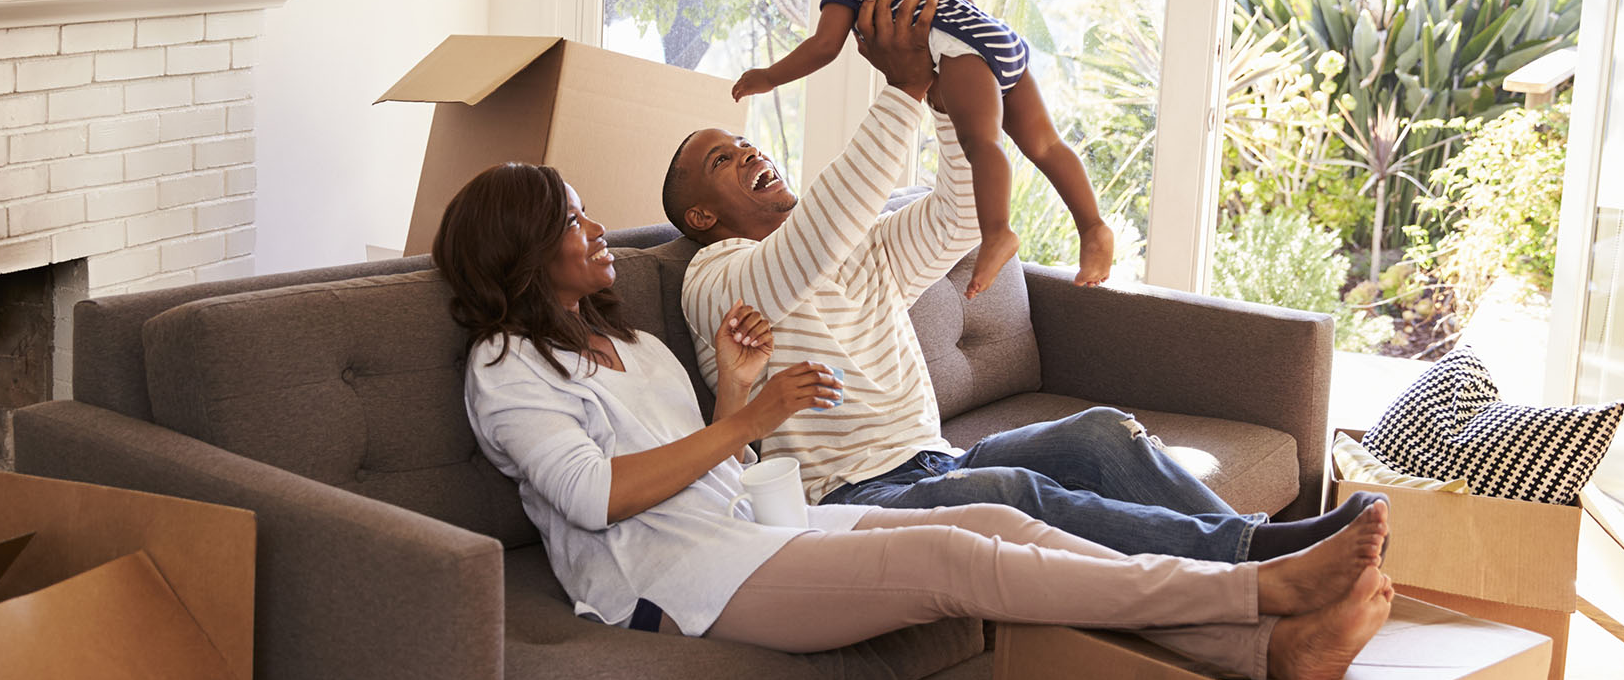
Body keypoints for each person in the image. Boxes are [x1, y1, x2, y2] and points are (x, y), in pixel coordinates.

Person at [435, 160, 1393, 679]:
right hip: (670, 584)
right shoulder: (506, 367)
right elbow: (598, 500)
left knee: (1000, 523)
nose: (594, 228)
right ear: (520, 247)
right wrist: (749, 415)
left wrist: (736, 387)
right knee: (956, 563)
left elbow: (717, 467)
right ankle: (1254, 592)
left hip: (744, 533)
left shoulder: (631, 346)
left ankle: (1265, 649)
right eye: (570, 219)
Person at [668, 0, 1386, 566]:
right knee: (1013, 491)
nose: (751, 153)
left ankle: (1264, 547)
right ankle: (1259, 560)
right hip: (851, 498)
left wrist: (948, 105)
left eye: (744, 141)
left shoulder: (856, 244)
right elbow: (806, 251)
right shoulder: (717, 278)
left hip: (933, 459)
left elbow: (956, 217)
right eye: (721, 160)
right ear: (701, 214)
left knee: (1102, 431)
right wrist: (903, 88)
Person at [730, 0, 1112, 297]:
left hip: (960, 50)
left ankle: (997, 232)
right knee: (1046, 144)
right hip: (995, 35)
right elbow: (958, 0)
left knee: (982, 141)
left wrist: (769, 76)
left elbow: (826, 45)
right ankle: (1092, 228)